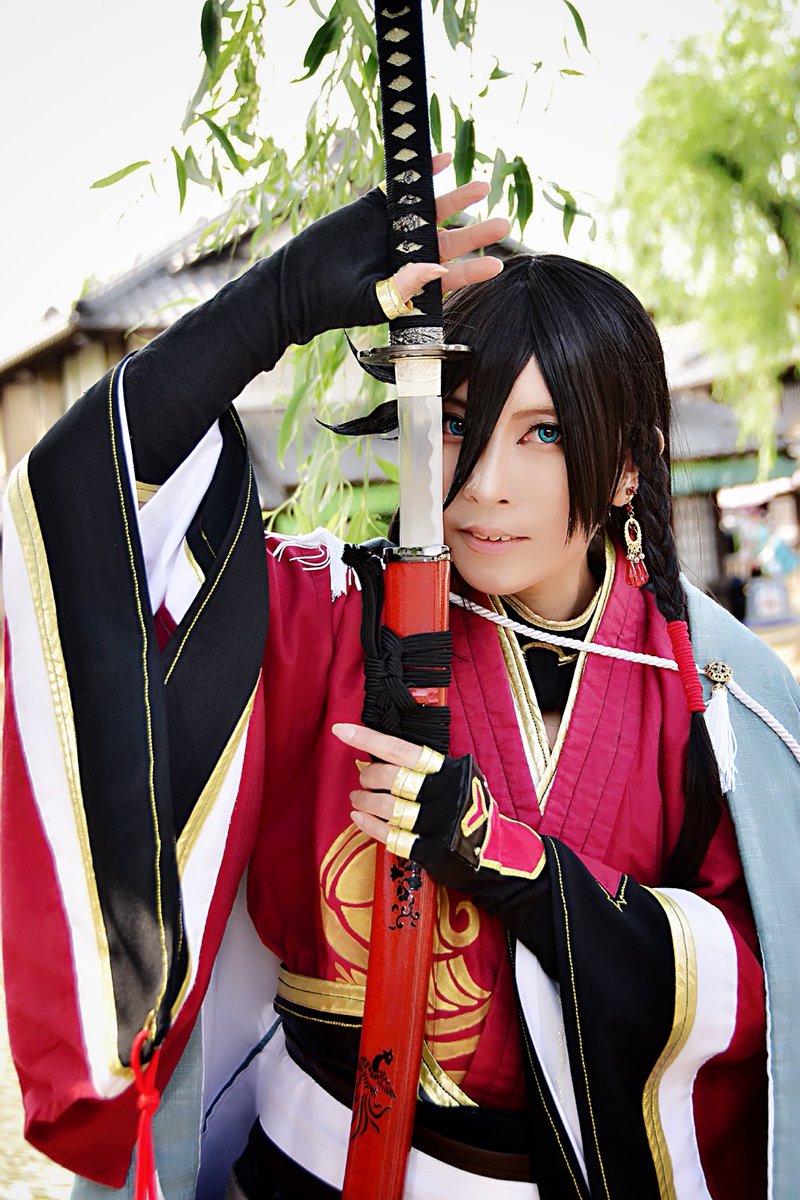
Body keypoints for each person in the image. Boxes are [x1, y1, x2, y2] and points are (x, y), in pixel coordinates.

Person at [3, 154, 799, 1200]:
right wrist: (272, 307)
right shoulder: (330, 613)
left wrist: (518, 866)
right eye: (458, 422)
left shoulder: (712, 686)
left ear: (625, 466)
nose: (483, 485)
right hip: (307, 1169)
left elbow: (763, 981)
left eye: (546, 433)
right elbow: (86, 506)